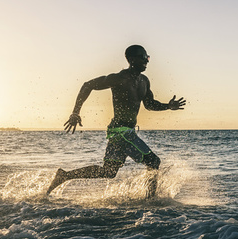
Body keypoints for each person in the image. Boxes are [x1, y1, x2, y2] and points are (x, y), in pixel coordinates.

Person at [46, 45, 186, 197]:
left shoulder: (144, 81)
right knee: (153, 162)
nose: (146, 60)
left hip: (122, 133)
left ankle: (64, 176)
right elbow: (88, 85)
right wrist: (75, 112)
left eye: (148, 57)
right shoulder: (120, 78)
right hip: (121, 132)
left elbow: (149, 104)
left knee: (109, 171)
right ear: (132, 59)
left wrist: (168, 106)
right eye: (143, 57)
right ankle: (150, 202)